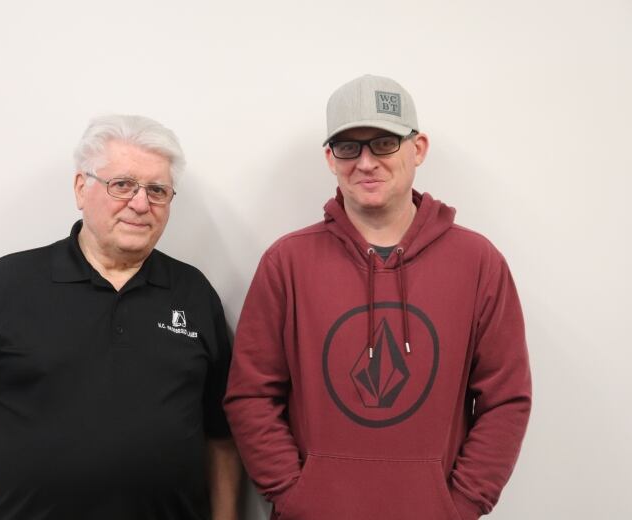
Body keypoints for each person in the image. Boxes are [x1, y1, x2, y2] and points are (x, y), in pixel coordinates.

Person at [224, 75, 531, 520]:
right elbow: (251, 394)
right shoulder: (286, 261)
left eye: (384, 143)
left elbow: (506, 400)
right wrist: (295, 497)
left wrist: (458, 506)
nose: (366, 162)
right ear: (330, 157)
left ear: (418, 148)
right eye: (349, 147)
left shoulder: (478, 262)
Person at [0, 115, 241, 520]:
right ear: (81, 187)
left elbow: (221, 438)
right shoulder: (6, 285)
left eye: (157, 190)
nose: (141, 204)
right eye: (122, 185)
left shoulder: (194, 293)